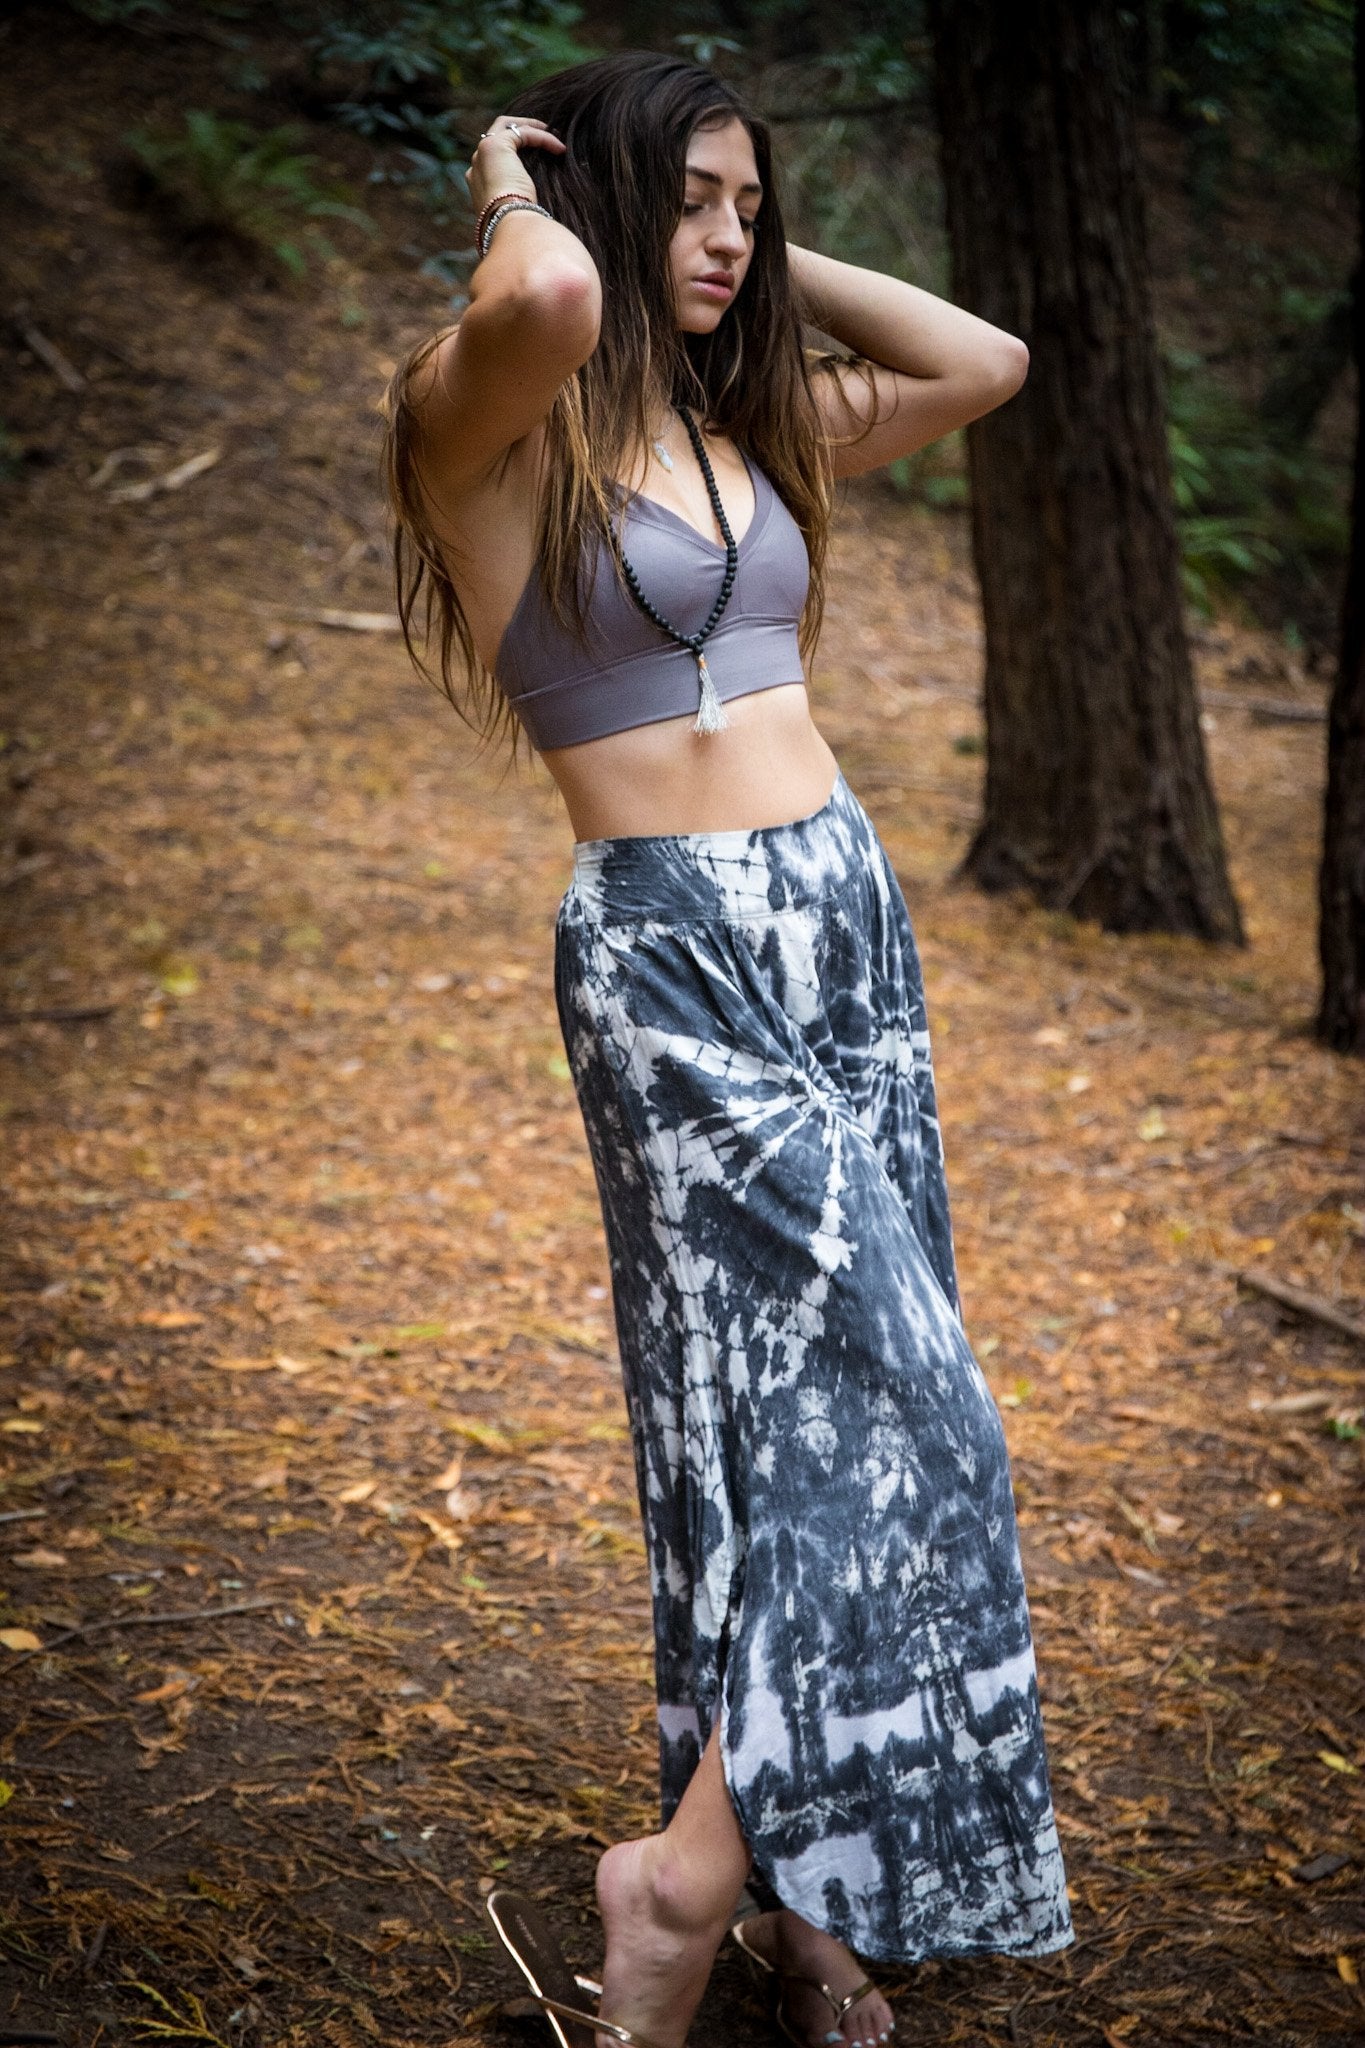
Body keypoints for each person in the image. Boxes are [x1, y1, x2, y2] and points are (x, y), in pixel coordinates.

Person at [380, 51, 1073, 2048]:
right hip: (671, 946)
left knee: (776, 1426)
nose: (724, 237)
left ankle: (792, 1881)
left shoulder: (733, 420)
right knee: (901, 1406)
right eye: (689, 199)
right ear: (598, 199)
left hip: (839, 920)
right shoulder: (477, 424)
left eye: (746, 207)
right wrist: (516, 187)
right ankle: (679, 1886)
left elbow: (983, 360)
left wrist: (760, 265)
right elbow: (542, 299)